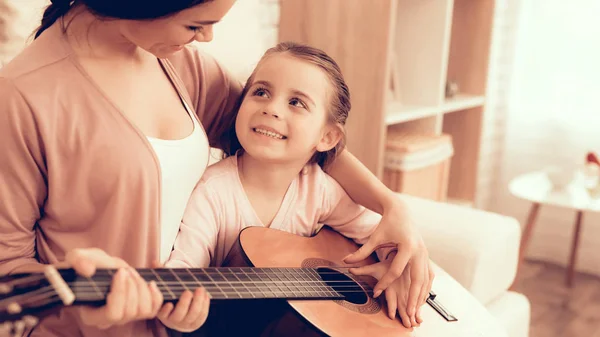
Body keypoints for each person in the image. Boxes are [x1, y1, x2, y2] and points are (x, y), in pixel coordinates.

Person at [0, 0, 432, 336]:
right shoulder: (21, 97)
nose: (205, 38)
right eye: (195, 24)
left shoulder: (175, 59)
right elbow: (7, 270)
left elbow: (297, 145)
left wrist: (393, 209)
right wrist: (82, 304)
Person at [165, 41, 432, 335]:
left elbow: (379, 235)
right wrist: (176, 307)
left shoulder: (319, 190)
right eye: (261, 92)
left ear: (328, 136)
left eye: (296, 102)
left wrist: (395, 270)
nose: (271, 109)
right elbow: (183, 267)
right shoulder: (213, 191)